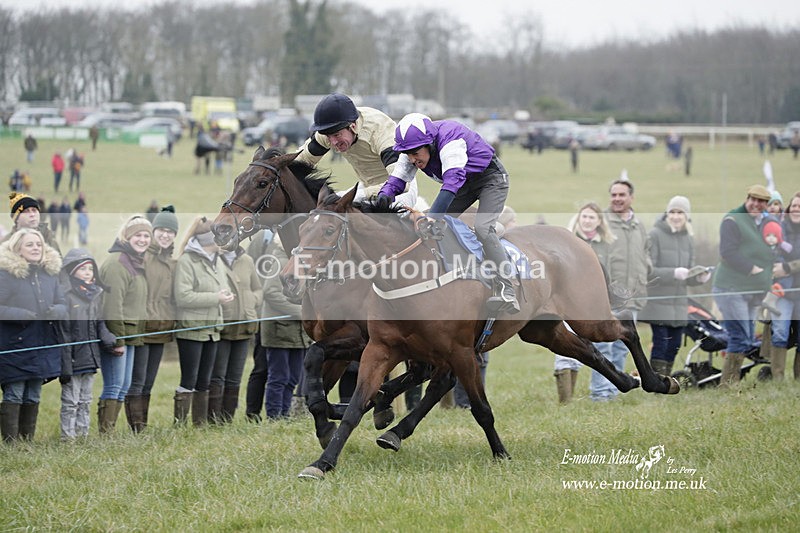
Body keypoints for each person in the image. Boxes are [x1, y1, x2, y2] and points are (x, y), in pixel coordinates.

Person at [378, 113, 519, 313]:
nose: (412, 159)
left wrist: (432, 218)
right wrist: (382, 198)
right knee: (423, 224)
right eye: (407, 154)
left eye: (415, 153)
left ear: (430, 144)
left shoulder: (450, 139)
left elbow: (452, 182)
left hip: (490, 179)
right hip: (462, 185)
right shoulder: (413, 147)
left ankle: (507, 286)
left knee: (482, 228)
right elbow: (397, 180)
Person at [0, 228, 66, 442]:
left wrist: (58, 310)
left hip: (42, 343)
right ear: (17, 248)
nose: (36, 248)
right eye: (30, 244)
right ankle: (11, 443)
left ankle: (26, 441)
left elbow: (63, 302)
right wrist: (19, 315)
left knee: (34, 393)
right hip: (15, 345)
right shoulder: (6, 274)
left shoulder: (49, 274)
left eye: (39, 244)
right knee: (15, 392)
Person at [296, 93, 418, 206]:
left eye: (337, 135)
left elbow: (401, 182)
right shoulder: (331, 131)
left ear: (353, 126)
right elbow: (300, 162)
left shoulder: (380, 130)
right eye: (328, 136)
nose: (333, 142)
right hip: (366, 186)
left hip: (400, 191)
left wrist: (357, 195)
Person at [588, 179, 650, 401]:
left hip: (632, 296)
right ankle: (599, 393)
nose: (617, 199)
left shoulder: (639, 225)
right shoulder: (601, 222)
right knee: (603, 346)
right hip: (607, 298)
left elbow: (645, 255)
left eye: (621, 195)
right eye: (613, 195)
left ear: (631, 197)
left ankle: (614, 390)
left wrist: (645, 274)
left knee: (623, 346)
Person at [552, 202, 616, 404]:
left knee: (604, 346)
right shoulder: (567, 241)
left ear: (599, 221)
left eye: (591, 217)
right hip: (569, 302)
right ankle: (566, 401)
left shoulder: (606, 245)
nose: (587, 221)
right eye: (584, 216)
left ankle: (601, 393)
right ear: (578, 219)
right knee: (566, 346)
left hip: (596, 303)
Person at [642, 196, 712, 377]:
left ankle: (666, 379)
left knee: (674, 345)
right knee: (661, 343)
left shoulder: (688, 238)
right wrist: (673, 273)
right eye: (672, 212)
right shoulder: (655, 235)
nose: (675, 216)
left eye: (680, 212)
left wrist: (699, 278)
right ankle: (656, 382)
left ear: (686, 216)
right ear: (666, 214)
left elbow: (687, 275)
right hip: (658, 301)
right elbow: (648, 271)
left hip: (679, 303)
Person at [173, 216, 233, 427]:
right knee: (189, 379)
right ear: (209, 239)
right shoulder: (187, 261)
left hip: (213, 329)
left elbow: (222, 288)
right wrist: (216, 298)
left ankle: (199, 425)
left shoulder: (218, 261)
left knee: (204, 380)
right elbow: (183, 297)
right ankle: (180, 425)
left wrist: (226, 296)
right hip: (192, 329)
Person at [712, 185, 774, 387]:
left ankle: (732, 382)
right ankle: (728, 385)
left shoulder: (765, 223)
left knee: (746, 338)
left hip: (753, 292)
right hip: (730, 289)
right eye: (753, 199)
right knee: (739, 336)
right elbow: (727, 252)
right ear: (747, 199)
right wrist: (752, 269)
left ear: (766, 204)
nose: (756, 204)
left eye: (761, 201)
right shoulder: (732, 220)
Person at [58, 248, 121, 441]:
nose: (88, 273)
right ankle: (68, 438)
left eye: (90, 269)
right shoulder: (66, 296)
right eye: (82, 269)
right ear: (71, 271)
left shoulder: (95, 294)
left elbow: (99, 322)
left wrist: (109, 338)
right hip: (73, 359)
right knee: (71, 401)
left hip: (90, 357)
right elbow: (63, 333)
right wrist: (66, 362)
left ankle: (82, 436)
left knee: (86, 400)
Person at [98, 215, 152, 433]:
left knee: (123, 386)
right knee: (114, 385)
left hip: (131, 333)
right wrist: (117, 340)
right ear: (127, 237)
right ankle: (105, 434)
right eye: (138, 235)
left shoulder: (135, 260)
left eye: (146, 236)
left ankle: (109, 431)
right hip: (118, 335)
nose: (143, 240)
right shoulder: (117, 263)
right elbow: (112, 306)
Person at [127, 206, 179, 432]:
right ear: (153, 231)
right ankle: (136, 428)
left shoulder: (170, 260)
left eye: (170, 231)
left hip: (161, 327)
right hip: (143, 327)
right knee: (137, 381)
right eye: (161, 230)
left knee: (148, 381)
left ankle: (142, 426)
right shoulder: (143, 257)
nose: (166, 235)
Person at [209, 237, 262, 424]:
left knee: (235, 376)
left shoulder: (247, 260)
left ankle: (227, 420)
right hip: (222, 327)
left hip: (244, 326)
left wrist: (251, 301)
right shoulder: (213, 259)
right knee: (218, 375)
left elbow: (258, 289)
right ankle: (213, 420)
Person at [261, 235, 312, 419]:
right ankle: (274, 416)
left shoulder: (300, 263)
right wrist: (300, 311)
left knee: (293, 378)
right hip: (279, 330)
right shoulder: (279, 261)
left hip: (297, 333)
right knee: (279, 377)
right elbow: (270, 292)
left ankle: (284, 414)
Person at [244, 229, 277, 422]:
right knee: (262, 366)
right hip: (265, 314)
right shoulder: (263, 238)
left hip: (290, 317)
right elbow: (251, 274)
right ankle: (252, 412)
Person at [770, 191, 800, 379]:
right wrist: (780, 266)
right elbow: (774, 256)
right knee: (780, 332)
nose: (796, 209)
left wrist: (788, 267)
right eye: (794, 205)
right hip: (782, 290)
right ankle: (777, 378)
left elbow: (785, 265)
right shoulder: (779, 228)